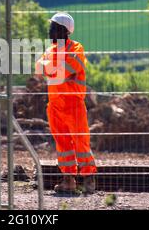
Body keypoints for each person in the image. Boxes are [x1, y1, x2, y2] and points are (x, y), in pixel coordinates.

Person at [35, 12, 97, 194]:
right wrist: (54, 69)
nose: (50, 30)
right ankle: (68, 180)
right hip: (55, 105)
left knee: (81, 142)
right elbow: (39, 68)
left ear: (63, 30)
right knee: (62, 144)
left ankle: (88, 181)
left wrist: (52, 68)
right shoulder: (50, 50)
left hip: (73, 104)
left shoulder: (77, 48)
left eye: (53, 27)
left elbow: (66, 71)